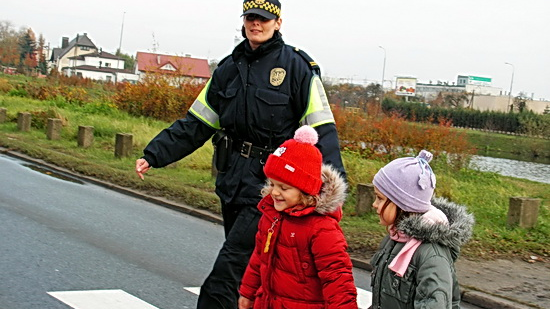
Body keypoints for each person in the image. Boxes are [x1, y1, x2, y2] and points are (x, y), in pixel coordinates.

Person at [135, 1, 346, 308]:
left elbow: (322, 130)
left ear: (278, 22)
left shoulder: (297, 68)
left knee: (228, 272)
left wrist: (331, 193)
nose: (256, 24)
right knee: (253, 270)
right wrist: (155, 154)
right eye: (250, 18)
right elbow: (197, 122)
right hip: (231, 180)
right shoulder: (228, 68)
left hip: (270, 187)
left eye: (263, 18)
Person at [238, 125, 357, 309]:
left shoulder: (322, 229)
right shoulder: (271, 216)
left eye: (284, 188)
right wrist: (247, 293)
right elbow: (259, 259)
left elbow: (336, 277)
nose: (275, 193)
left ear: (305, 191)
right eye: (272, 184)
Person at [369, 150, 474, 309]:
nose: (374, 204)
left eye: (380, 198)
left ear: (402, 204)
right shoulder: (394, 240)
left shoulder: (431, 255)